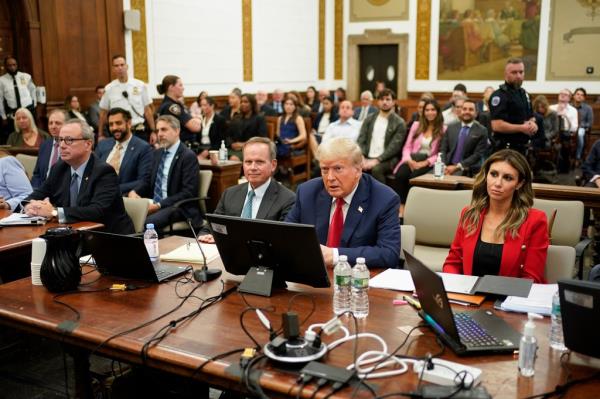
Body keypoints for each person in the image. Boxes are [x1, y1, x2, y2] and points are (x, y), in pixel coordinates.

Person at [285, 137, 400, 268]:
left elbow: (389, 254)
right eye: (325, 169)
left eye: (338, 169)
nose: (330, 178)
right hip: (313, 277)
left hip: (358, 280)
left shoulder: (384, 199)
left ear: (358, 170)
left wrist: (334, 255)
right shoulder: (307, 192)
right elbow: (286, 236)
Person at [443, 149, 549, 284]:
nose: (498, 183)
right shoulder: (470, 214)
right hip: (468, 297)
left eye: (508, 178)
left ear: (519, 184)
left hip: (509, 300)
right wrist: (457, 286)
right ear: (486, 175)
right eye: (493, 174)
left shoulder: (535, 220)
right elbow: (452, 263)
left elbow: (532, 278)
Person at [24, 119, 134, 235]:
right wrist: (29, 206)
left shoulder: (104, 172)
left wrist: (54, 212)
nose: (61, 146)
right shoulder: (59, 168)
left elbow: (96, 211)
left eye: (69, 140)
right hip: (74, 234)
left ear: (88, 144)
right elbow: (40, 193)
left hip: (108, 238)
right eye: (60, 140)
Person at [198, 137, 295, 243]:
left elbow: (283, 241)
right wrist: (206, 236)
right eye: (248, 162)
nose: (253, 167)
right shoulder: (230, 194)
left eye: (259, 162)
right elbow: (211, 227)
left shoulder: (288, 199)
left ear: (273, 165)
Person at [128, 115, 200, 230]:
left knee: (147, 223)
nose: (160, 134)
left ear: (177, 131)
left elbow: (188, 192)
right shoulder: (157, 153)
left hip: (178, 206)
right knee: (124, 216)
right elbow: (147, 180)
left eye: (164, 129)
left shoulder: (187, 156)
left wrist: (158, 205)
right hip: (155, 202)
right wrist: (134, 191)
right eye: (158, 130)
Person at [392, 99, 445, 216]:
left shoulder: (443, 129)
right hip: (411, 159)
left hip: (428, 162)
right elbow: (407, 147)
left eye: (433, 110)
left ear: (437, 112)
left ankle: (412, 209)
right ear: (423, 112)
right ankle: (401, 209)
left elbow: (440, 153)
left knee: (414, 177)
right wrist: (409, 160)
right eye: (427, 110)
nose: (430, 112)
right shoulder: (416, 125)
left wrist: (425, 162)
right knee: (401, 175)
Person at [95, 108, 153, 195]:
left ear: (129, 123)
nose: (114, 128)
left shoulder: (143, 148)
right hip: (96, 195)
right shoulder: (102, 145)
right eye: (111, 124)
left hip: (122, 197)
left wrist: (111, 189)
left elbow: (143, 181)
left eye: (118, 123)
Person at [98, 55, 155, 143]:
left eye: (122, 65)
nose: (120, 68)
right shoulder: (109, 88)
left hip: (139, 130)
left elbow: (148, 110)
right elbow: (103, 113)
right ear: (113, 69)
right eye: (116, 66)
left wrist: (153, 131)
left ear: (127, 66)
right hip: (119, 133)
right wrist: (100, 135)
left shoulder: (140, 85)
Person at [489, 58, 538, 155]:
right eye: (514, 72)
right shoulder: (499, 95)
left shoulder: (524, 94)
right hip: (505, 149)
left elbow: (530, 117)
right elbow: (497, 125)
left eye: (521, 72)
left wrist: (533, 124)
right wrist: (521, 128)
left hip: (523, 147)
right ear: (505, 74)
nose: (518, 76)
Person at [357, 89, 407, 183]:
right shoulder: (369, 119)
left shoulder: (399, 122)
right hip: (367, 156)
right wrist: (362, 157)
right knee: (354, 166)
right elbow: (361, 139)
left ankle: (382, 197)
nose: (384, 102)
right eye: (382, 99)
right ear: (377, 102)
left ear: (393, 102)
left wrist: (377, 160)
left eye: (388, 99)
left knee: (376, 169)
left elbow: (394, 147)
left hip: (388, 159)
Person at [440, 99, 489, 176]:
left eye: (471, 109)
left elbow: (477, 155)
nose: (467, 112)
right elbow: (443, 149)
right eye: (464, 109)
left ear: (476, 113)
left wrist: (457, 167)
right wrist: (443, 165)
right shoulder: (451, 127)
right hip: (446, 166)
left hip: (466, 169)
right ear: (460, 111)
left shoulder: (482, 130)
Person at [156, 75, 202, 145]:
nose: (183, 88)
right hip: (182, 147)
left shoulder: (167, 104)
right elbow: (195, 127)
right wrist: (199, 119)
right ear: (171, 87)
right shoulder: (172, 107)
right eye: (180, 85)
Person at [0, 56, 37, 144]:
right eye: (9, 65)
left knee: (31, 130)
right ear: (5, 66)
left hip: (28, 109)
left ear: (17, 65)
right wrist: (3, 116)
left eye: (14, 65)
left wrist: (34, 104)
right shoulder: (1, 80)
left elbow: (33, 90)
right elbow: (0, 99)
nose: (12, 67)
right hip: (13, 112)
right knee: (16, 134)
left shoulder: (26, 76)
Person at [31, 109, 67, 188]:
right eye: (50, 123)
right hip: (41, 192)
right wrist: (35, 191)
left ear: (66, 125)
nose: (53, 126)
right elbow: (37, 174)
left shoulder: (71, 145)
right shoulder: (45, 145)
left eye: (57, 123)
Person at [226, 93, 268, 161]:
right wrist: (232, 144)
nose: (242, 104)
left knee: (233, 159)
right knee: (218, 156)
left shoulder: (259, 118)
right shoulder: (236, 117)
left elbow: (262, 138)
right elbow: (228, 135)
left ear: (252, 104)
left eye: (246, 102)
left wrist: (244, 144)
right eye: (241, 102)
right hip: (233, 149)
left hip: (251, 149)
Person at [550, 89, 578, 173]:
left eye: (565, 94)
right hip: (552, 132)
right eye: (561, 93)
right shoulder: (551, 108)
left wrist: (565, 116)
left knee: (564, 137)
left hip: (565, 133)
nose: (562, 95)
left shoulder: (573, 110)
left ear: (569, 98)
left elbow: (574, 128)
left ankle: (563, 167)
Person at [572, 87, 594, 164]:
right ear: (574, 96)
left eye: (582, 95)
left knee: (580, 134)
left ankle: (577, 157)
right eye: (577, 94)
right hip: (570, 128)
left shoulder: (588, 108)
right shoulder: (569, 107)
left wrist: (580, 125)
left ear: (584, 98)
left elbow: (590, 123)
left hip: (582, 128)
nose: (579, 96)